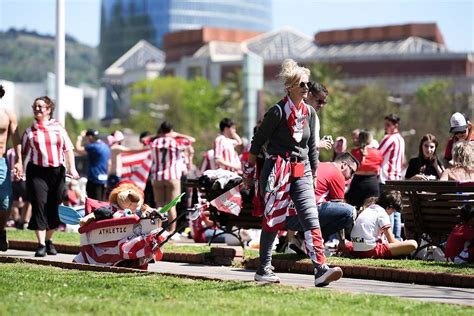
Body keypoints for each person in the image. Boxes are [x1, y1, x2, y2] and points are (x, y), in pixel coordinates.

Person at [243, 59, 342, 286]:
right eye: (303, 85)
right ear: (290, 87)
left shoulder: (309, 113)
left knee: (311, 217)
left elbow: (312, 148)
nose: (307, 89)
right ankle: (264, 268)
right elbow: (256, 144)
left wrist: (314, 172)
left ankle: (320, 269)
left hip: (303, 170)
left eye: (308, 85)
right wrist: (248, 172)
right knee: (273, 219)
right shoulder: (276, 112)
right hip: (277, 169)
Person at [21, 96, 79, 257]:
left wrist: (72, 168)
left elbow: (68, 149)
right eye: (35, 106)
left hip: (56, 171)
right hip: (36, 172)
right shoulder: (29, 131)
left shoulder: (58, 128)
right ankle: (40, 245)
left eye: (41, 106)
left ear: (49, 109)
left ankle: (48, 240)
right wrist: (19, 165)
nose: (38, 109)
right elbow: (23, 152)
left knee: (54, 206)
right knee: (39, 204)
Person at [149, 121, 194, 233]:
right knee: (171, 205)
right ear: (172, 130)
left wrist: (159, 135)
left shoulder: (154, 142)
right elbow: (191, 140)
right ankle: (171, 231)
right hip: (172, 176)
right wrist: (177, 135)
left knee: (159, 205)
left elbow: (144, 140)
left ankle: (157, 230)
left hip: (157, 176)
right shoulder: (176, 142)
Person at [347, 190, 418, 259]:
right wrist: (401, 243)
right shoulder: (382, 213)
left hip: (357, 250)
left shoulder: (369, 209)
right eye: (393, 210)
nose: (392, 213)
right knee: (413, 244)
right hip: (371, 251)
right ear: (389, 207)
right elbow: (392, 241)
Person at [0, 84, 23, 251]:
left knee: (5, 202)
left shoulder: (7, 114)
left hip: (0, 162)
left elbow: (16, 139)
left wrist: (19, 161)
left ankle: (0, 231)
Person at [378, 114, 405, 240]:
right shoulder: (401, 139)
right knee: (396, 212)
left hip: (386, 178)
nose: (386, 127)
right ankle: (397, 238)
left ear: (395, 126)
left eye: (388, 125)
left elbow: (378, 154)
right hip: (397, 178)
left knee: (388, 210)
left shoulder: (389, 138)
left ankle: (390, 240)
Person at [346, 129, 383, 209]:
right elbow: (379, 167)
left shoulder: (353, 152)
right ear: (370, 139)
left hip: (357, 183)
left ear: (359, 139)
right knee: (373, 210)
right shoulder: (378, 152)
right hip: (372, 182)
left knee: (355, 210)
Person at [75, 129, 111, 201]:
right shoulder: (106, 147)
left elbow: (78, 149)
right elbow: (109, 163)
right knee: (101, 202)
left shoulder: (93, 147)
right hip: (104, 179)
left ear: (90, 137)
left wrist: (80, 137)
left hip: (94, 178)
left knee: (93, 203)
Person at [7, 148, 31, 229]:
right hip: (23, 179)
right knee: (28, 201)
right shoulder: (24, 152)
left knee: (14, 202)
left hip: (11, 179)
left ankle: (17, 220)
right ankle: (23, 221)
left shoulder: (9, 152)